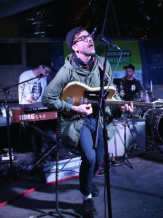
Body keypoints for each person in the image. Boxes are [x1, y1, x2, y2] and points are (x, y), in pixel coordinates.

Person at [42, 27, 133, 217]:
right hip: (78, 120)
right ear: (75, 47)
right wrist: (74, 108)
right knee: (89, 158)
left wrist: (120, 105)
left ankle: (88, 181)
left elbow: (111, 90)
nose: (90, 39)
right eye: (83, 38)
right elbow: (47, 99)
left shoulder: (102, 65)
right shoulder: (66, 71)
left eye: (89, 36)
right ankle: (86, 197)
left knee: (99, 158)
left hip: (98, 118)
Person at [18, 63, 53, 159]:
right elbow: (26, 94)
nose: (46, 74)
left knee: (47, 132)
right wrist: (35, 103)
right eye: (46, 72)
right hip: (27, 108)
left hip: (39, 109)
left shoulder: (44, 78)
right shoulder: (26, 75)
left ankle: (47, 155)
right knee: (34, 134)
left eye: (48, 73)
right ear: (41, 67)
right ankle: (36, 157)